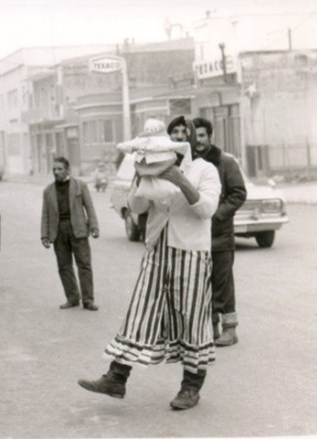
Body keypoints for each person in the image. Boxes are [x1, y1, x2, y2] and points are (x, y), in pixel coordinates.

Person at [78, 116, 221, 410]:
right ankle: (116, 378)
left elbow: (207, 209)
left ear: (192, 139)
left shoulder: (205, 170)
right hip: (157, 249)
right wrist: (141, 178)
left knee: (191, 318)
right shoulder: (152, 167)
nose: (179, 136)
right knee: (140, 311)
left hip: (191, 253)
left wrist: (180, 180)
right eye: (174, 133)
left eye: (185, 133)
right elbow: (137, 207)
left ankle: (191, 387)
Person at [192, 117, 247, 347]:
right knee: (203, 283)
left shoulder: (225, 162)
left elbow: (238, 193)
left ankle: (230, 329)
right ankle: (211, 328)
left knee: (223, 282)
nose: (199, 141)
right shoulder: (190, 163)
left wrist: (216, 214)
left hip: (220, 235)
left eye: (203, 136)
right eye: (196, 137)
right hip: (198, 235)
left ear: (210, 137)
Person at [41, 156, 100, 311]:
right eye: (54, 169)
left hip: (78, 229)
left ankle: (88, 300)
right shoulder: (48, 190)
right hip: (58, 231)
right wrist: (45, 235)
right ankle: (72, 298)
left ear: (67, 170)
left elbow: (89, 207)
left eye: (59, 169)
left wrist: (94, 227)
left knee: (84, 265)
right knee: (64, 266)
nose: (56, 172)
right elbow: (45, 214)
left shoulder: (80, 185)